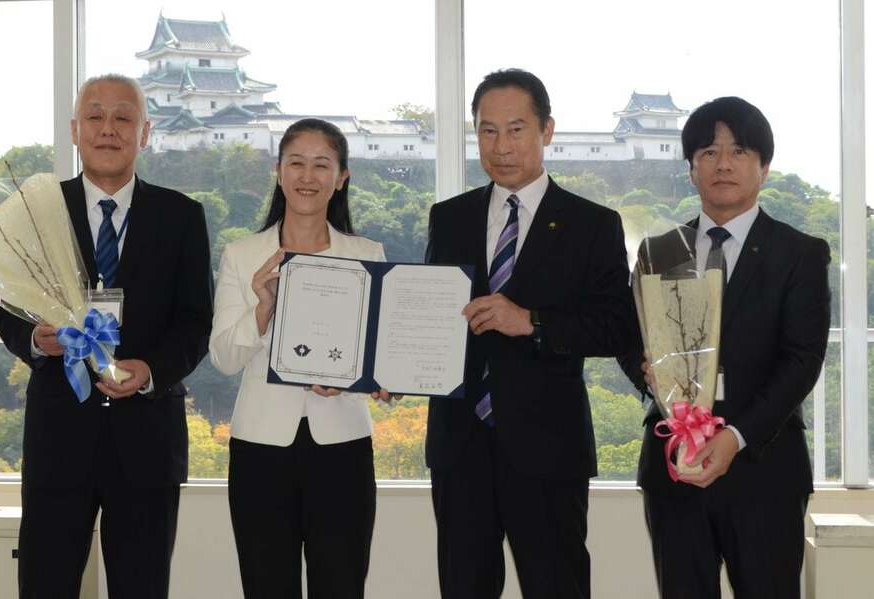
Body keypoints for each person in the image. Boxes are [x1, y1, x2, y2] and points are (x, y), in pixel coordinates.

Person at [0, 74, 213, 598]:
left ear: (145, 132)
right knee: (45, 582)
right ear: (74, 130)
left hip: (148, 442)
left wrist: (150, 371)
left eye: (123, 117)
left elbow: (194, 321)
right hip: (58, 437)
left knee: (142, 586)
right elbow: (4, 311)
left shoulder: (181, 216)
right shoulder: (39, 212)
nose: (107, 128)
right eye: (94, 116)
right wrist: (36, 339)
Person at [424, 68, 635, 599]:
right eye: (487, 130)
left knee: (557, 584)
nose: (501, 146)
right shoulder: (448, 217)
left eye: (516, 129)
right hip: (459, 442)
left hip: (548, 444)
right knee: (463, 586)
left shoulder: (593, 224)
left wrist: (532, 322)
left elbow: (615, 326)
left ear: (547, 130)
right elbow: (428, 315)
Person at [618, 96, 831, 599]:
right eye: (708, 153)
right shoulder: (660, 251)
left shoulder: (798, 253)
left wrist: (734, 436)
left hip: (763, 465)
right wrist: (647, 373)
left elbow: (802, 361)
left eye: (739, 151)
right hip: (675, 463)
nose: (723, 164)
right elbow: (632, 341)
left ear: (764, 167)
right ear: (691, 169)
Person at [209, 118, 389, 598]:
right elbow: (224, 357)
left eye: (321, 165)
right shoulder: (242, 255)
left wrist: (364, 379)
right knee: (267, 586)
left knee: (342, 585)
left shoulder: (367, 254)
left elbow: (378, 357)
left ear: (341, 177)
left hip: (343, 446)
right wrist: (262, 309)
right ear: (279, 171)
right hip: (261, 447)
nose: (307, 176)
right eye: (296, 163)